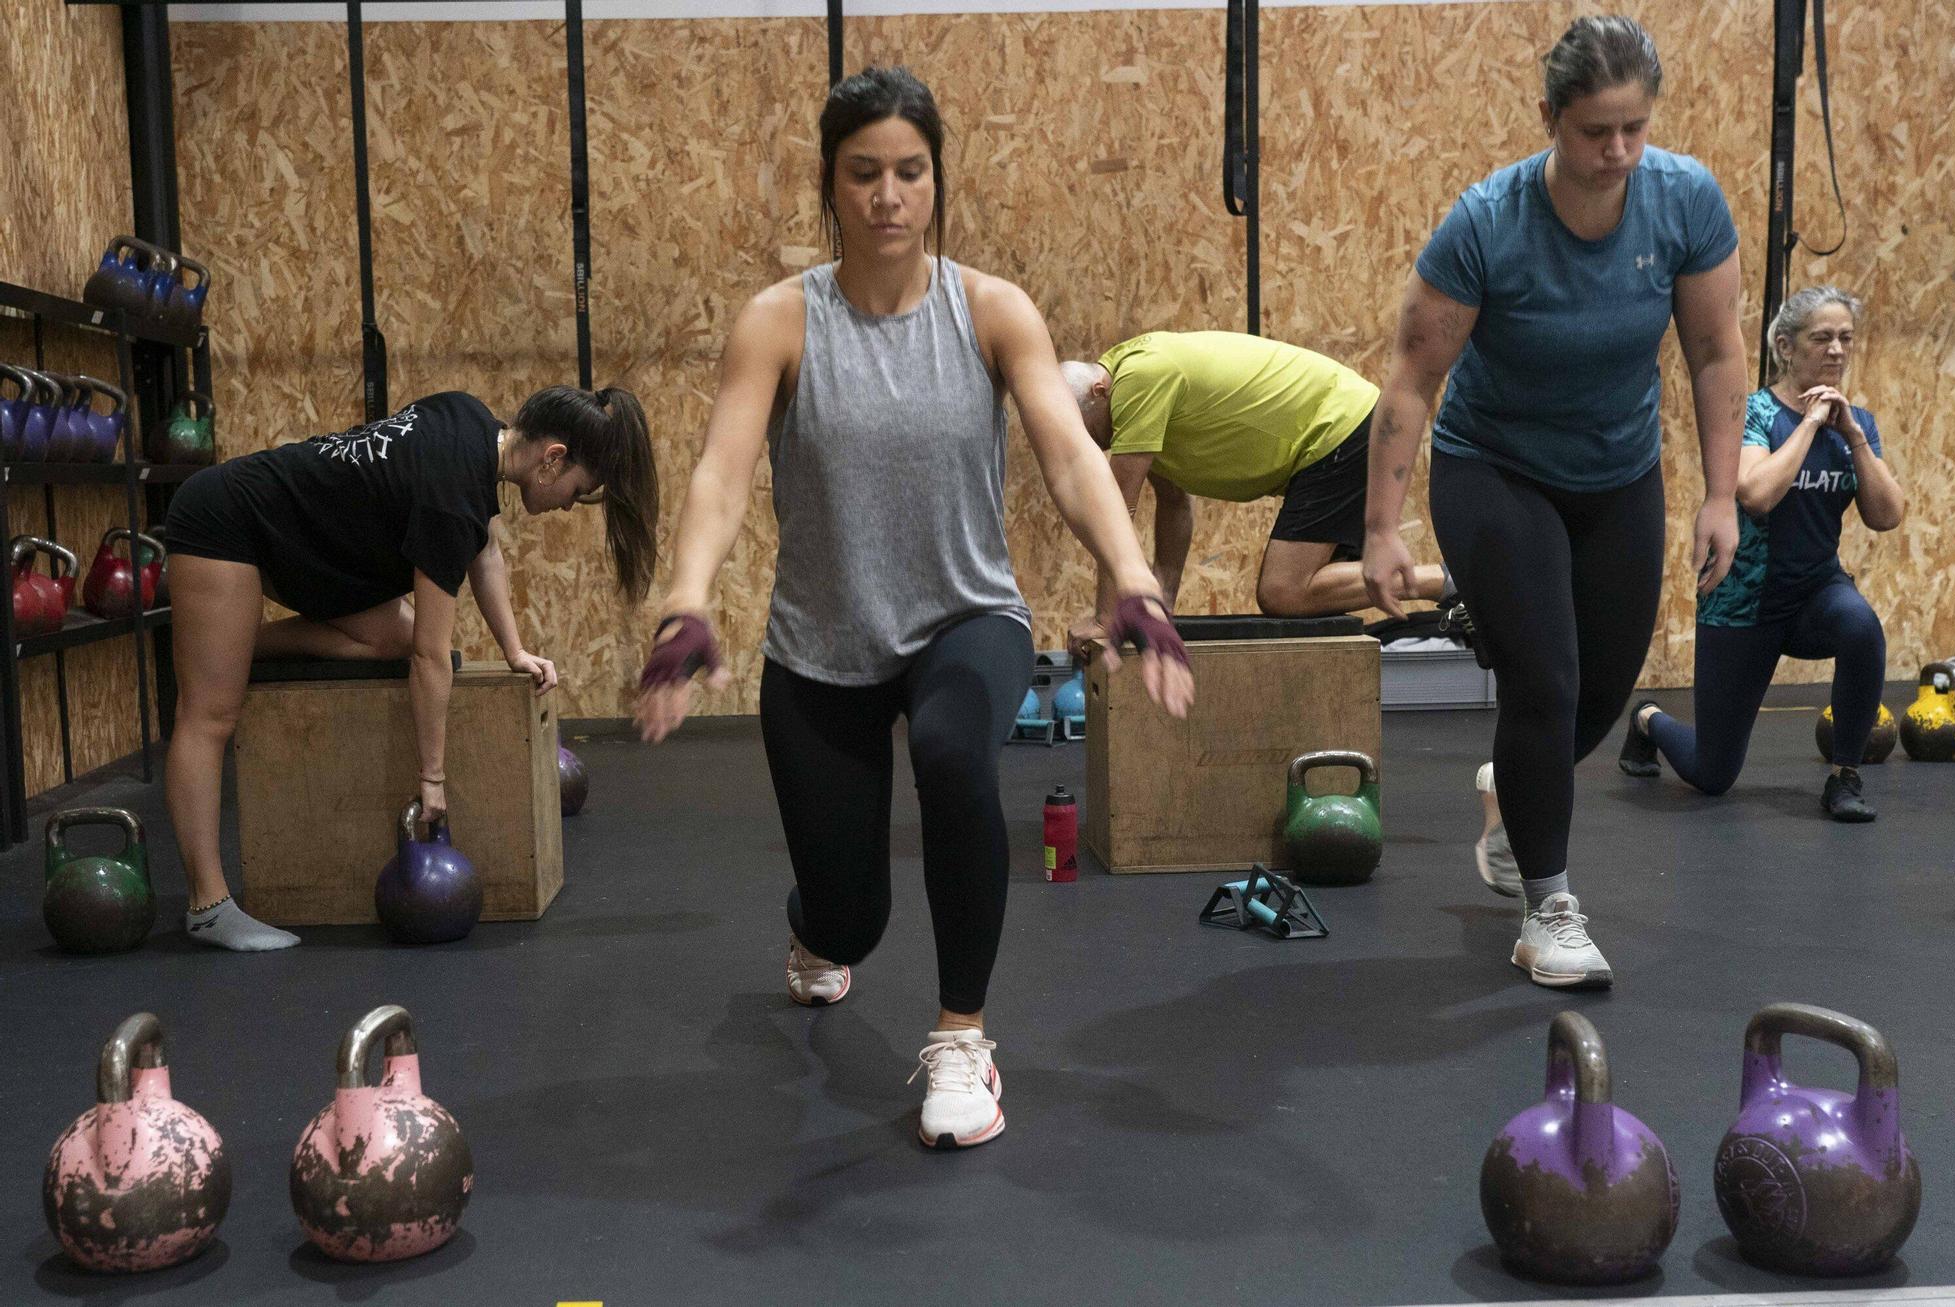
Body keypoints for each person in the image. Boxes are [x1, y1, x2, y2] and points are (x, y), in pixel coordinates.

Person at [629, 67, 1192, 1150]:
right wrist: (686, 598)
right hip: (822, 642)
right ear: (829, 185)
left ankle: (961, 1036)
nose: (887, 194)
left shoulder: (990, 311)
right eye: (863, 173)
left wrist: (1129, 572)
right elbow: (721, 474)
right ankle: (813, 927)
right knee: (851, 918)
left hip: (963, 616)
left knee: (949, 752)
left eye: (909, 171)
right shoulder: (779, 321)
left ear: (936, 182)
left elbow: (1072, 457)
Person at [1361, 15, 1745, 989]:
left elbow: (1713, 351)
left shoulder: (1682, 201)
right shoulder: (1485, 223)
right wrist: (1378, 528)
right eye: (1592, 131)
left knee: (1598, 692)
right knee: (1542, 678)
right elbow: (1410, 378)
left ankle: (1512, 788)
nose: (1614, 151)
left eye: (1631, 128)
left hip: (1615, 471)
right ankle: (1546, 907)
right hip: (1495, 469)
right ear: (1549, 119)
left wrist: (1720, 495)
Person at [164, 386, 659, 951]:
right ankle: (208, 906)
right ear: (553, 457)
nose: (571, 504)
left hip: (314, 542)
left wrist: (514, 650)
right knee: (209, 714)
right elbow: (430, 656)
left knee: (392, 642)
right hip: (230, 518)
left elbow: (486, 550)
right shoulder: (452, 498)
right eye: (579, 490)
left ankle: (227, 652)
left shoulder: (475, 423)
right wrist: (432, 780)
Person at [1618, 286, 1903, 820]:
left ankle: (1845, 778)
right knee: (1712, 775)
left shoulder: (1857, 423)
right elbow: (1755, 495)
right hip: (1743, 602)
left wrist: (1854, 437)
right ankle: (1648, 719)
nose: (1837, 350)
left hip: (1816, 592)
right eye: (1822, 338)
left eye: (1846, 338)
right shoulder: (1753, 413)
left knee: (1862, 626)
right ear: (1785, 346)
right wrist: (1813, 422)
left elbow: (1886, 516)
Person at [1058, 332, 1453, 654]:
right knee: (1302, 593)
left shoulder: (1138, 383)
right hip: (1341, 430)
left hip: (1341, 429)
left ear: (1098, 391)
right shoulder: (1130, 382)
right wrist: (1164, 598)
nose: (1094, 447)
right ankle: (1445, 582)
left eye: (1090, 432)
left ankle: (1442, 581)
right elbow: (1174, 501)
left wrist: (1103, 621)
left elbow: (1114, 514)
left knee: (1284, 591)